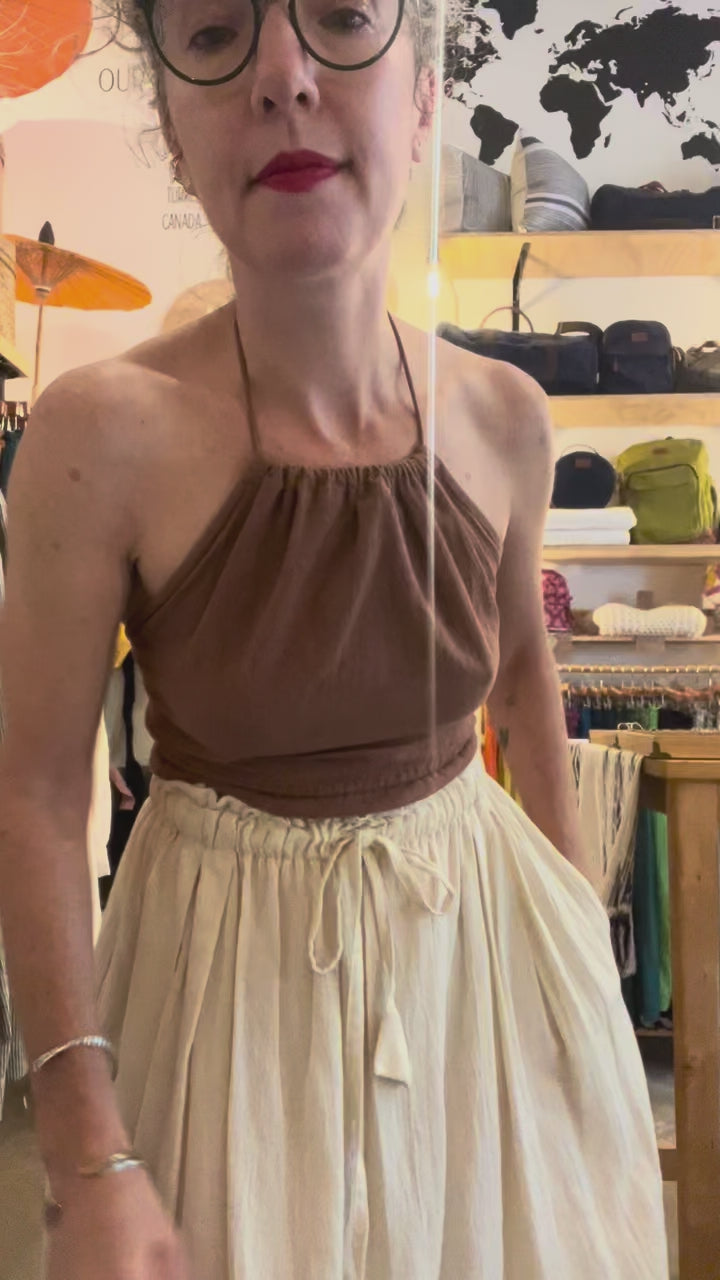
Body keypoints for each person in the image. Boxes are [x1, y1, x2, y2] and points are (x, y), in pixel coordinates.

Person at [0, 0, 668, 1277]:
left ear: (422, 99)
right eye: (215, 35)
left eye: (345, 18)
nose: (283, 77)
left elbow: (524, 679)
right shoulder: (98, 439)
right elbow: (34, 791)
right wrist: (86, 1151)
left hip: (478, 962)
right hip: (221, 996)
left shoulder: (507, 419)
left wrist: (578, 952)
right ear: (173, 126)